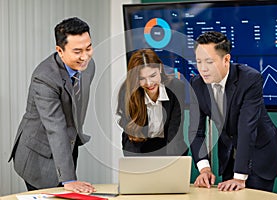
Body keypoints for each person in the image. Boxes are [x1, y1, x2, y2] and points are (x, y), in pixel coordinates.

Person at [188, 31, 277, 192]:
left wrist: (239, 176)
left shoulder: (250, 79)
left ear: (226, 59)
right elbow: (196, 131)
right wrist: (204, 168)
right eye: (199, 62)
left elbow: (247, 128)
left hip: (259, 153)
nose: (203, 69)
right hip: (229, 155)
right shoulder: (197, 84)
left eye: (209, 62)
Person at [9, 17, 96, 193]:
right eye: (78, 51)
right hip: (38, 155)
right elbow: (55, 128)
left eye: (89, 48)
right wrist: (69, 179)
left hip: (67, 144)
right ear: (60, 50)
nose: (85, 56)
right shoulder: (45, 78)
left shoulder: (88, 65)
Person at [116, 49, 188, 156]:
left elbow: (175, 132)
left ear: (159, 68)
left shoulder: (176, 87)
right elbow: (131, 137)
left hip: (170, 147)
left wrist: (171, 165)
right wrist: (135, 168)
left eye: (152, 76)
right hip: (139, 148)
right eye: (142, 78)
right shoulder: (128, 92)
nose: (149, 83)